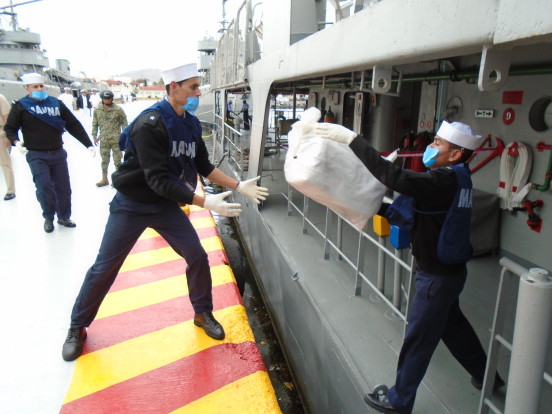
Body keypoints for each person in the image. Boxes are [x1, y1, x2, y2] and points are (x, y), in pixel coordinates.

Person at [61, 62, 269, 361]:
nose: (199, 92)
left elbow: (202, 166)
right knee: (105, 266)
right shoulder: (151, 123)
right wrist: (206, 202)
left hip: (164, 205)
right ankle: (76, 326)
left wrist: (239, 185)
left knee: (197, 256)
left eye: (199, 86)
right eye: (194, 87)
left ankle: (202, 313)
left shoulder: (192, 123)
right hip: (132, 204)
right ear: (174, 87)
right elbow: (158, 179)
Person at [314, 120, 504, 414]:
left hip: (436, 277)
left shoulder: (444, 181)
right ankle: (488, 377)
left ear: (455, 154)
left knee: (419, 338)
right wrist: (362, 203)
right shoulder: (459, 178)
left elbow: (395, 178)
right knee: (454, 328)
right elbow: (417, 217)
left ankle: (399, 400)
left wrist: (352, 140)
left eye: (438, 143)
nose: (431, 146)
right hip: (448, 273)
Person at [4, 72, 96, 232]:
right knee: (44, 187)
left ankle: (64, 216)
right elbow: (10, 128)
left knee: (63, 188)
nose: (40, 89)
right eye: (36, 87)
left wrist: (88, 144)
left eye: (41, 86)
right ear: (27, 89)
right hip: (36, 154)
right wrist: (16, 142)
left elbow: (73, 124)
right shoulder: (20, 106)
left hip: (58, 152)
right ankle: (48, 216)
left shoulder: (56, 104)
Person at [91, 90, 128, 187]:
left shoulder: (118, 109)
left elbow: (124, 122)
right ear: (102, 99)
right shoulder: (97, 110)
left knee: (118, 160)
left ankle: (117, 180)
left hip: (116, 139)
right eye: (105, 99)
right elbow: (95, 123)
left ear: (112, 98)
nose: (107, 100)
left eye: (109, 99)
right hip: (103, 139)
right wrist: (94, 136)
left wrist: (125, 135)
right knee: (104, 160)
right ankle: (104, 178)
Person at [0, 93, 15, 200]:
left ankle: (11, 190)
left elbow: (7, 117)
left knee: (5, 162)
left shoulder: (0, 98)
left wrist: (7, 136)